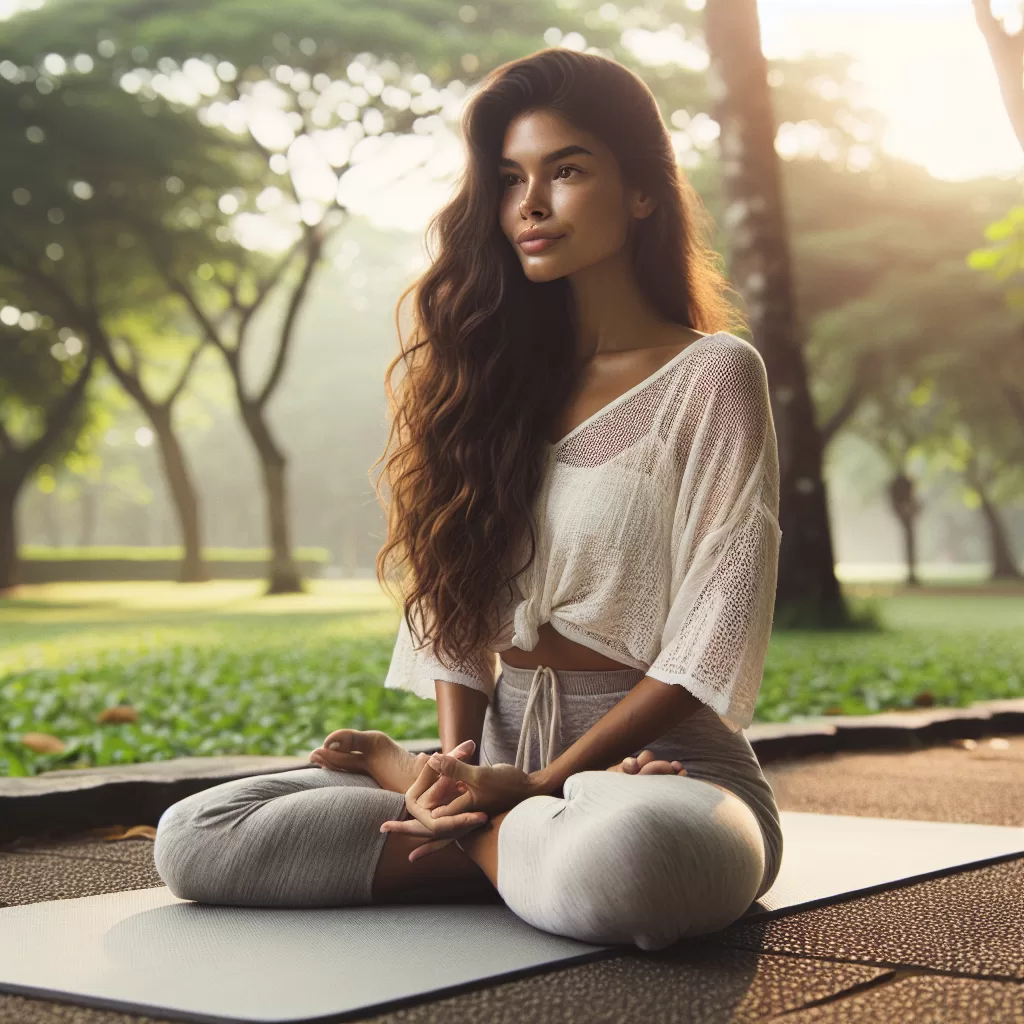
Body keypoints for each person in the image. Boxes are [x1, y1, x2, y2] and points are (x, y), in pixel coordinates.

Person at [153, 47, 784, 953]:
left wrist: (546, 780)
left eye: (566, 171)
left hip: (662, 773)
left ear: (643, 193)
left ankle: (520, 834)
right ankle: (509, 844)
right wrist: (452, 771)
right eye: (510, 178)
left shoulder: (712, 374)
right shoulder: (484, 388)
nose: (530, 204)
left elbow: (715, 627)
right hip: (493, 767)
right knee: (199, 839)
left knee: (640, 862)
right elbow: (455, 611)